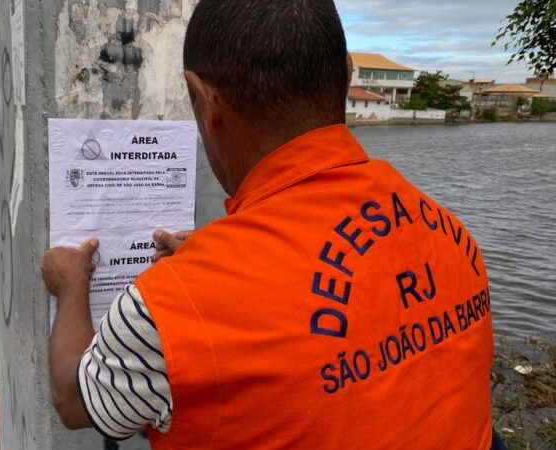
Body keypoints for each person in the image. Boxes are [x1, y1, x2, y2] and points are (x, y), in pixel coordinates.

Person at [42, 0, 502, 448]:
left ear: (203, 99)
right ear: (346, 76)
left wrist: (70, 284)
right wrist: (222, 265)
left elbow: (72, 398)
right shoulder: (450, 235)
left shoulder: (168, 307)